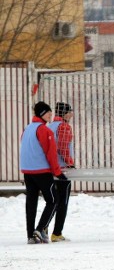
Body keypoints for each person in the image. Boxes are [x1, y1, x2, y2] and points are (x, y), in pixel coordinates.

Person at [19, 101, 67, 244]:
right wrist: (58, 173)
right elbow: (51, 154)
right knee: (53, 200)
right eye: (48, 113)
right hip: (41, 171)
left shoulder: (27, 129)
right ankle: (40, 229)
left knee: (31, 203)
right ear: (41, 114)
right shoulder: (44, 130)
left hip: (27, 171)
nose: (50, 115)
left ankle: (30, 235)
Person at [47, 102, 75, 242]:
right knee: (62, 202)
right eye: (70, 111)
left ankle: (44, 226)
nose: (71, 114)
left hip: (50, 168)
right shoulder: (64, 126)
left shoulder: (50, 126)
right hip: (62, 169)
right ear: (64, 114)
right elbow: (63, 148)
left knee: (53, 201)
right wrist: (70, 163)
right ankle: (57, 233)